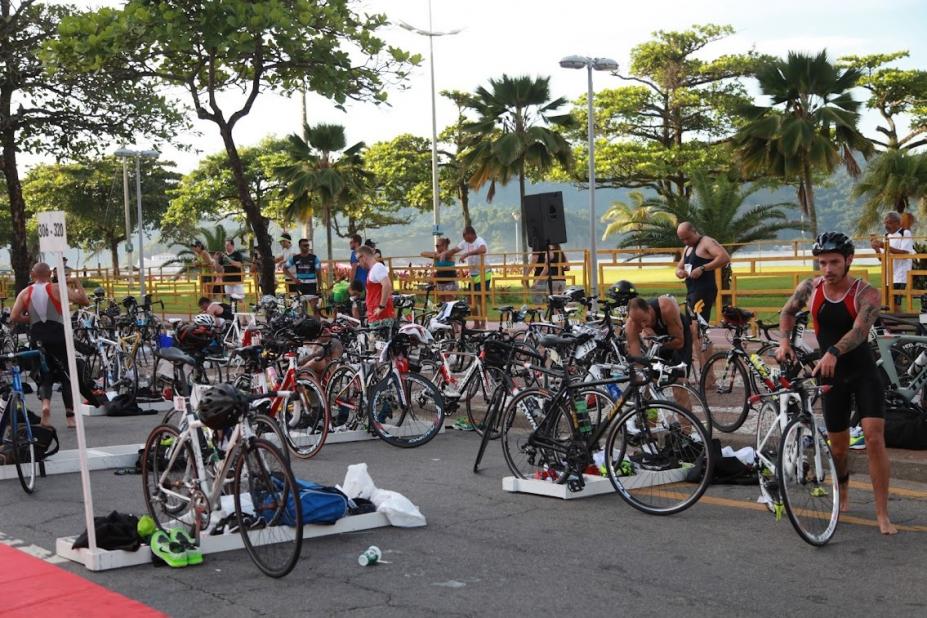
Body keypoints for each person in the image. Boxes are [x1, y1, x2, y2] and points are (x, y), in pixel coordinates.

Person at [776, 231, 896, 535]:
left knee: (873, 438)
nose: (827, 269)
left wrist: (831, 351)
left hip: (863, 373)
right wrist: (784, 342)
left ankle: (882, 513)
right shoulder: (810, 288)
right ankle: (842, 494)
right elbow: (787, 312)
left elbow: (859, 331)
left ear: (849, 261)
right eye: (822, 263)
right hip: (831, 377)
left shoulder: (865, 293)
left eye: (833, 262)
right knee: (839, 449)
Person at [10, 262, 90, 428]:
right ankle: (70, 417)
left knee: (44, 373)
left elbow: (14, 316)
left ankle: (45, 405)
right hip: (59, 335)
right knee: (67, 374)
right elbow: (84, 301)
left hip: (38, 336)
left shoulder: (25, 292)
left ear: (33, 275)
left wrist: (31, 319)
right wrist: (76, 282)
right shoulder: (57, 288)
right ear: (50, 274)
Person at [675, 222, 730, 366]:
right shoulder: (687, 247)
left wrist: (704, 268)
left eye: (687, 238)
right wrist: (679, 272)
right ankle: (703, 370)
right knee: (692, 332)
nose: (686, 242)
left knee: (698, 331)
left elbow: (724, 257)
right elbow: (679, 267)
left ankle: (708, 373)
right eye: (682, 240)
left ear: (694, 231)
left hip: (704, 291)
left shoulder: (706, 242)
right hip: (692, 292)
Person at [447, 226, 491, 329]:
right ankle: (476, 322)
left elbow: (483, 249)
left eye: (465, 236)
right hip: (473, 275)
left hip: (484, 273)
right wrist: (444, 253)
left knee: (481, 300)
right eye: (464, 237)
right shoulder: (464, 242)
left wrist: (466, 254)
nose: (465, 239)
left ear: (471, 234)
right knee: (471, 300)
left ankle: (483, 324)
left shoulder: (479, 240)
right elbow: (455, 249)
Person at [871, 211, 914, 310]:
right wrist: (876, 249)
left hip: (900, 275)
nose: (886, 225)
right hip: (888, 275)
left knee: (895, 304)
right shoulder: (886, 236)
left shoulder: (905, 233)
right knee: (886, 304)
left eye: (889, 223)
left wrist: (883, 245)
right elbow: (882, 259)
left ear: (897, 223)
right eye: (885, 223)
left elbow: (904, 253)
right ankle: (891, 324)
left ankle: (899, 324)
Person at [356, 245, 394, 327]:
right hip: (376, 317)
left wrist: (381, 307)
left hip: (381, 318)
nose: (358, 263)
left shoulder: (377, 267)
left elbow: (387, 285)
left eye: (358, 259)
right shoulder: (373, 269)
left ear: (363, 257)